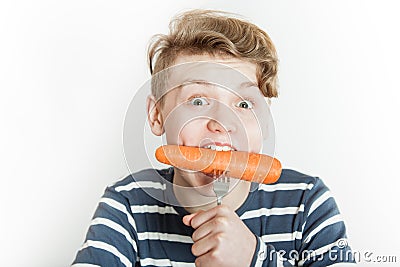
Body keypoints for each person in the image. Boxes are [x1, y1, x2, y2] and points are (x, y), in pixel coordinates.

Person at [72, 9, 356, 266]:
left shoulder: (306, 203)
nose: (223, 122)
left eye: (244, 104)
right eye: (197, 101)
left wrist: (254, 260)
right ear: (157, 116)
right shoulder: (128, 205)